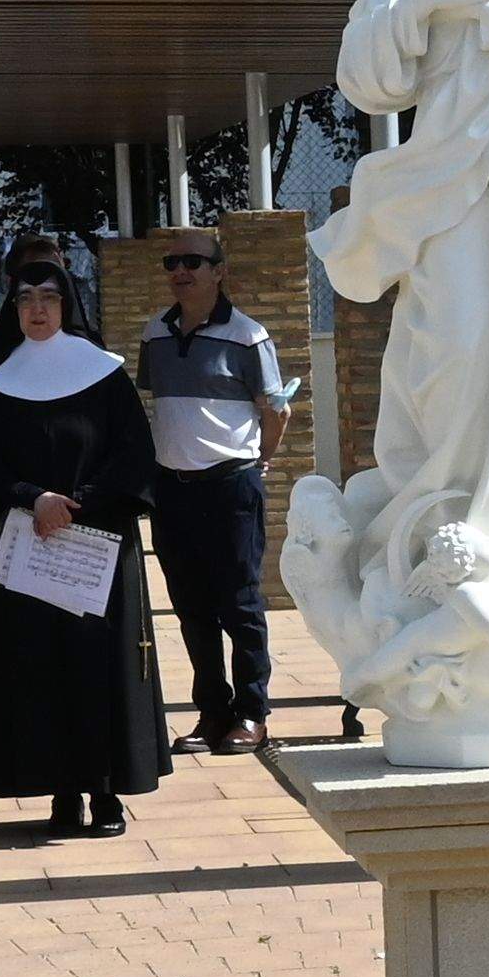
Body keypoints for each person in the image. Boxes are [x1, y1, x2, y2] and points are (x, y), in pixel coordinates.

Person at [0, 268, 171, 836]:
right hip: (30, 548)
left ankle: (106, 793)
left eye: (49, 298)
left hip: (96, 542)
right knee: (40, 667)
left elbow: (134, 458)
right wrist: (34, 498)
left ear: (67, 305)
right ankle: (60, 792)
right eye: (25, 298)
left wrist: (77, 503)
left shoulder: (105, 377)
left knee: (98, 665)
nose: (37, 309)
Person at [132, 230, 294, 751]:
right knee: (190, 605)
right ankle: (211, 712)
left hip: (230, 486)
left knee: (241, 604)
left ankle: (253, 713)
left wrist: (260, 460)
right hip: (172, 491)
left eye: (193, 262)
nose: (181, 271)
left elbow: (276, 409)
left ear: (219, 271)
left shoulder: (248, 336)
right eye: (172, 262)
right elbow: (151, 400)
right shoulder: (155, 330)